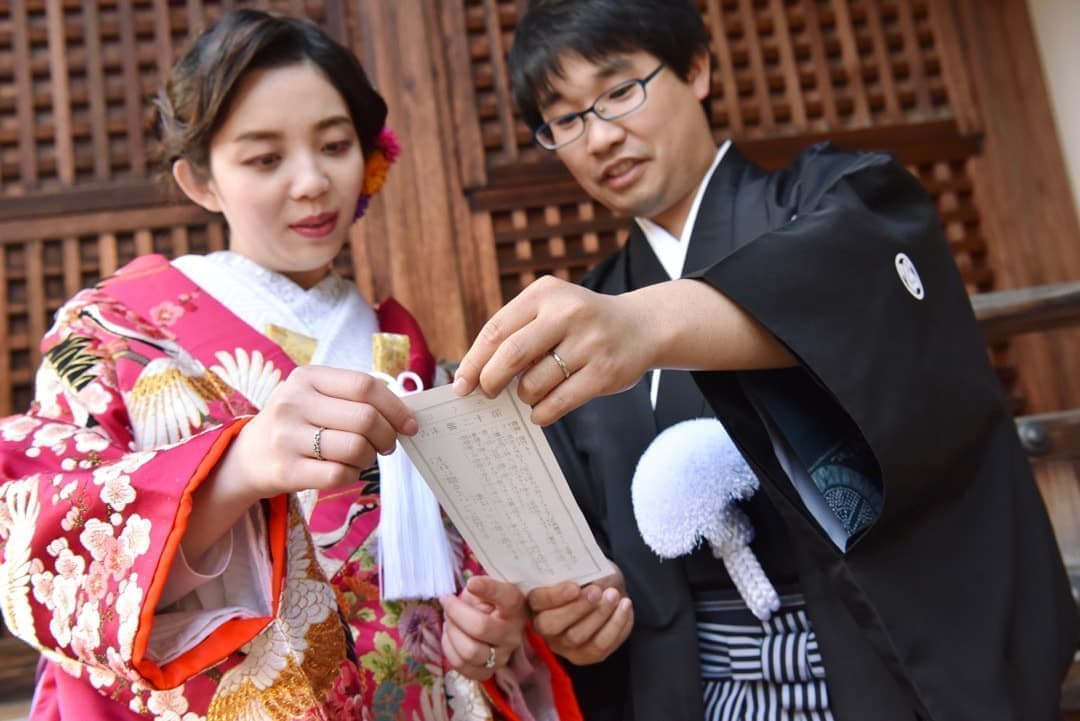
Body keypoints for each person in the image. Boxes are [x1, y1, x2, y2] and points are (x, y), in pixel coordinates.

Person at [453, 1, 1080, 720]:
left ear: (698, 67)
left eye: (620, 90)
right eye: (564, 119)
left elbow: (873, 301)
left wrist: (646, 324)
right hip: (696, 694)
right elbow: (588, 556)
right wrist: (576, 614)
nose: (599, 137)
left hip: (871, 677)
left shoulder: (833, 200)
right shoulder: (590, 309)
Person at [0, 10, 581, 721]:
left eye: (334, 145)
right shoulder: (114, 330)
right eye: (265, 158)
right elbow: (42, 541)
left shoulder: (399, 347)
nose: (311, 182)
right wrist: (235, 470)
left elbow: (462, 569)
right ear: (199, 181)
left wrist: (488, 621)